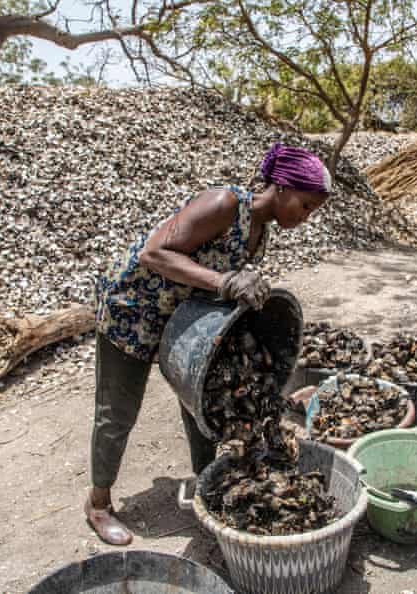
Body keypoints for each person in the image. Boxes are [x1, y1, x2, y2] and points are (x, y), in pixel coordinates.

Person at [85, 142, 331, 545]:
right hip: (132, 312)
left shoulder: (259, 232)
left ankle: (207, 484)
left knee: (202, 400)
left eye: (312, 212)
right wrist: (225, 282)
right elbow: (154, 253)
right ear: (282, 188)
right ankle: (98, 504)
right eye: (305, 206)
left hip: (179, 321)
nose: (305, 218)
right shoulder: (225, 203)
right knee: (118, 413)